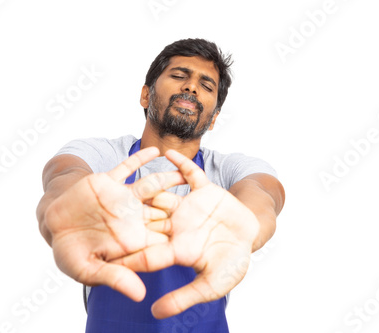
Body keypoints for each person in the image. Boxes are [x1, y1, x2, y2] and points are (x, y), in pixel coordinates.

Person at [36, 38, 285, 332]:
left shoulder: (230, 170)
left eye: (206, 86)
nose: (191, 87)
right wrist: (68, 204)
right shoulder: (105, 156)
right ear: (145, 95)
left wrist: (248, 224)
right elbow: (64, 175)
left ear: (214, 117)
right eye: (179, 76)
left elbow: (264, 193)